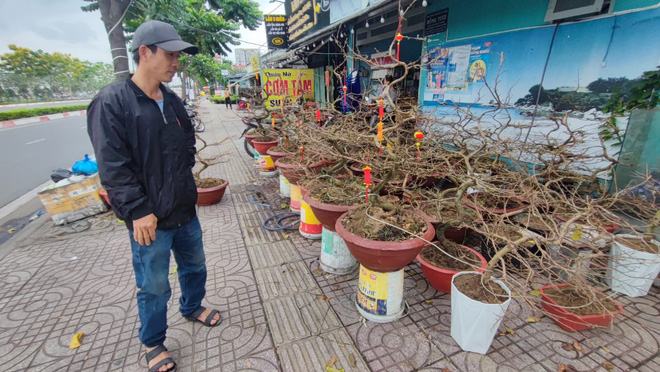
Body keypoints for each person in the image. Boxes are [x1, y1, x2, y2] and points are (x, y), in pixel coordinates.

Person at [86, 20, 221, 372]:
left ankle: (193, 307)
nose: (176, 63)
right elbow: (113, 166)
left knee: (195, 267)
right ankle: (153, 341)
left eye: (178, 56)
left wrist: (183, 184)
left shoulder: (172, 100)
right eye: (170, 55)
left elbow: (187, 143)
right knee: (154, 284)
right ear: (144, 53)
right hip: (149, 219)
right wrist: (137, 210)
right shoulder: (112, 102)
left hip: (183, 209)